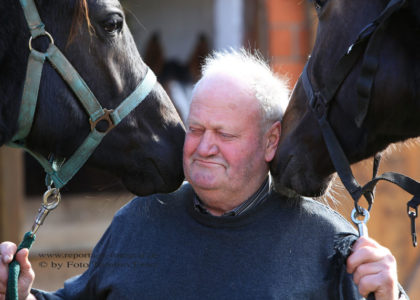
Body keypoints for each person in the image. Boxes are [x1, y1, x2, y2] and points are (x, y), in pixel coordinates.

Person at [0, 49, 406, 299]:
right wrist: (21, 295)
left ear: (271, 141)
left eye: (224, 134)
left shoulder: (329, 245)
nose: (203, 146)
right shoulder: (140, 219)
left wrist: (393, 296)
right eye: (195, 129)